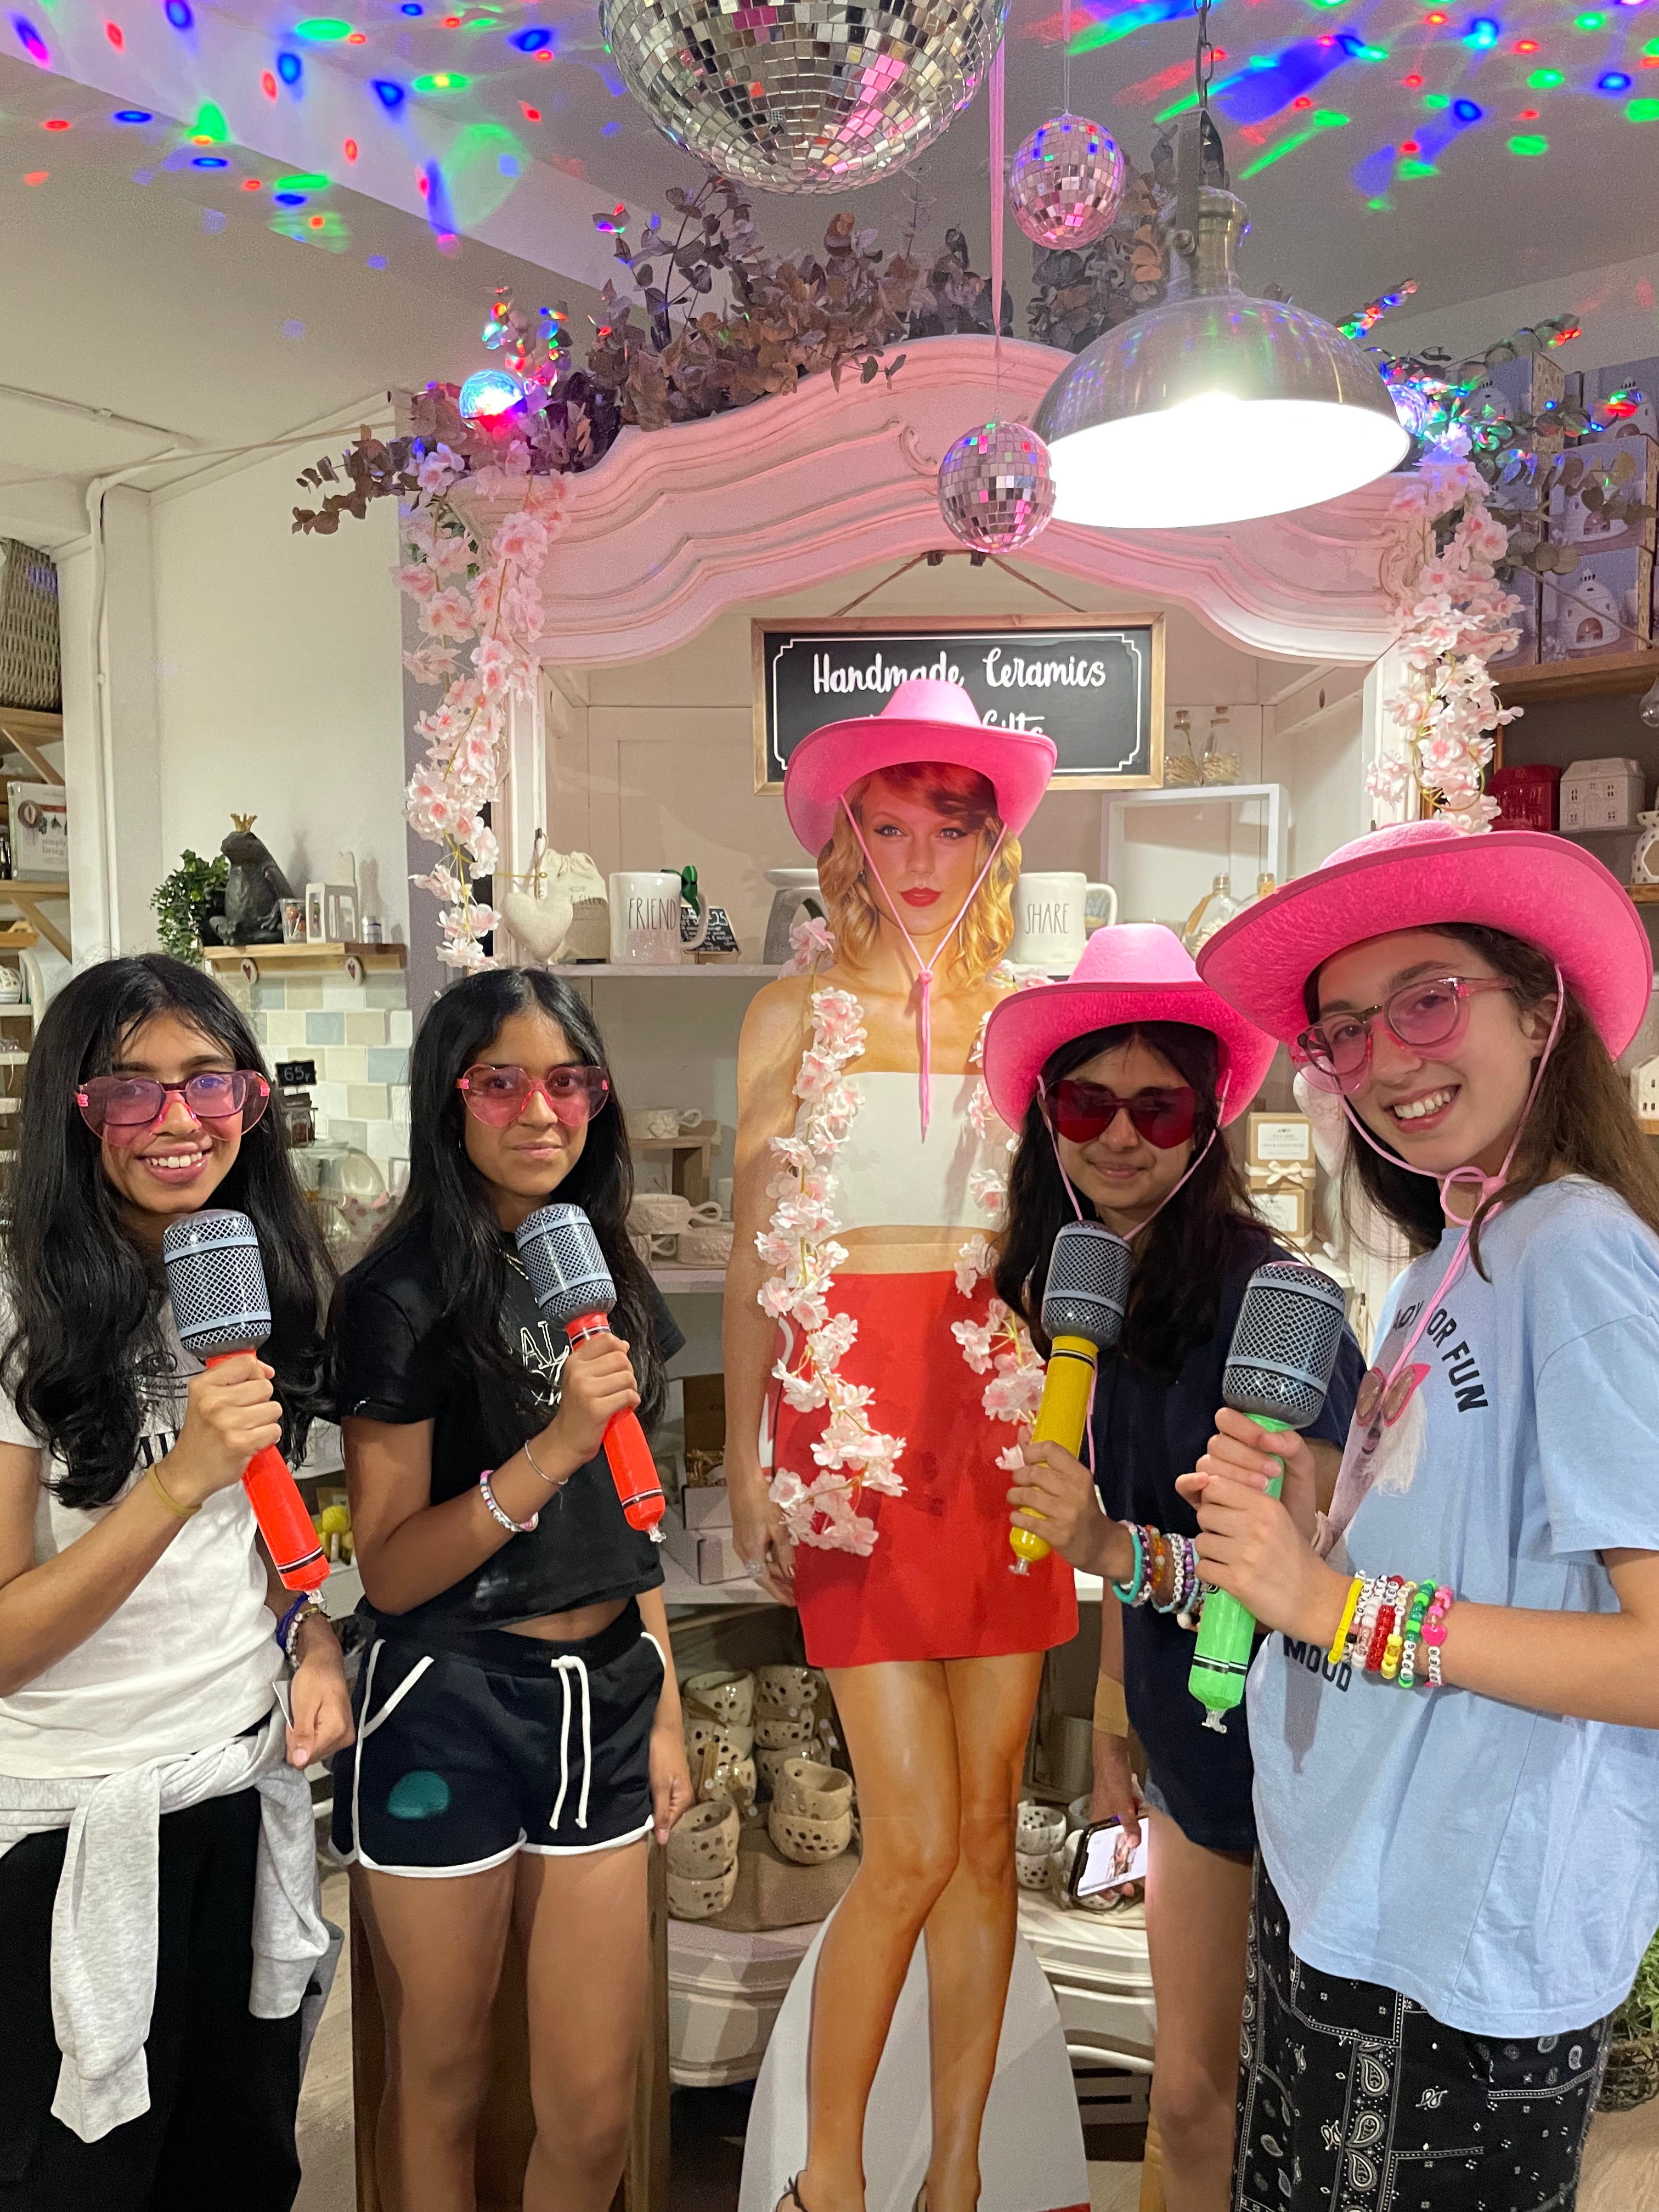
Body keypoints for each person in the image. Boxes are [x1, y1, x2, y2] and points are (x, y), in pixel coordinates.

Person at [1187, 817, 1659, 2212]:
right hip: (1352, 1888)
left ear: (1542, 1012)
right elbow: (1456, 1528)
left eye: (1429, 1000)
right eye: (1345, 1031)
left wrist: (1332, 1604)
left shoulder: (1580, 1259)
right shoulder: (1452, 1256)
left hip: (1458, 1945)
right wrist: (1313, 1504)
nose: (1388, 1059)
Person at [725, 679, 1079, 2212]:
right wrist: (748, 1454)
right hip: (851, 1438)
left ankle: (956, 2180)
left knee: (987, 1834)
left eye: (950, 827)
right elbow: (752, 1252)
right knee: (914, 1837)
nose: (920, 859)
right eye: (892, 827)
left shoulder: (1034, 1015)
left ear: (990, 841)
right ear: (848, 841)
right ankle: (831, 2177)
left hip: (998, 1421)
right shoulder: (787, 1014)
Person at [981, 924, 1363, 2212]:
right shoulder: (1094, 1294)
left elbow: (1302, 1581)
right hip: (1185, 1745)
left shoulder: (1272, 1303)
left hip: (1300, 1752)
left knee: (1276, 2104)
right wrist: (1115, 1735)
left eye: (1159, 1107)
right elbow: (1135, 1547)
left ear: (1209, 1123)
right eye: (1088, 1103)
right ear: (1048, 1117)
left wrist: (1104, 1546)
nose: (1120, 1137)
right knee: (1191, 2092)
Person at [329, 968, 692, 2212]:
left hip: (607, 1698)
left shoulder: (605, 1268)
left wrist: (667, 1701)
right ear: (451, 1098)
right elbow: (389, 1567)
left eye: (570, 1082)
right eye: (502, 1083)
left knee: (593, 2115)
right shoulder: (397, 1294)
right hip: (446, 1701)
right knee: (442, 2080)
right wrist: (550, 1451)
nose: (542, 1112)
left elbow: (636, 1518)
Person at [0, 954, 350, 2212]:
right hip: (67, 1839)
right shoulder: (15, 1309)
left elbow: (264, 1549)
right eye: (130, 1090)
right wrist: (179, 1476)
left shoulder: (252, 1284)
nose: (178, 1120)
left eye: (208, 1082)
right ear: (75, 1113)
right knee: (79, 2188)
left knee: (238, 2171)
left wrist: (311, 1642)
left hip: (236, 1796)